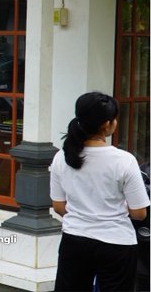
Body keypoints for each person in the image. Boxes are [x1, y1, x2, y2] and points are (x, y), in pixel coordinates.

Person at [49, 91, 149, 292]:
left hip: (74, 240)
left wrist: (85, 215)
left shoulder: (62, 157)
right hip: (116, 244)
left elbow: (58, 206)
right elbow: (139, 213)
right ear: (107, 125)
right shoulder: (124, 160)